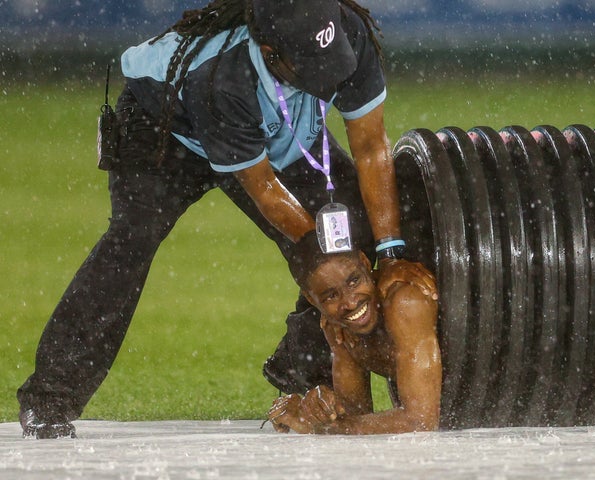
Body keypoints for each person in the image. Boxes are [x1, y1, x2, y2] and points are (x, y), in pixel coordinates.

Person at [17, 0, 436, 439]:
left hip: (279, 131)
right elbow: (266, 192)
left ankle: (302, 376)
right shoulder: (222, 78)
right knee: (129, 245)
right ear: (271, 52)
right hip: (166, 131)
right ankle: (50, 398)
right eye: (313, 68)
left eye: (332, 64)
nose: (330, 77)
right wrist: (328, 264)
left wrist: (389, 253)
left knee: (361, 234)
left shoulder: (347, 35)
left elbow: (372, 148)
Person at [266, 232, 441, 434]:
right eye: (331, 295)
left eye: (354, 281)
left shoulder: (406, 302)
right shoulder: (337, 327)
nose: (350, 302)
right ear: (311, 300)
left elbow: (421, 422)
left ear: (366, 262)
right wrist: (314, 411)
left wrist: (329, 427)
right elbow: (356, 417)